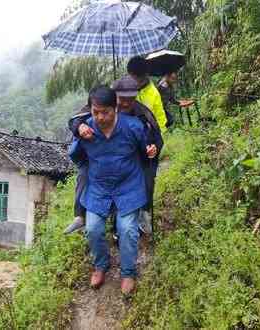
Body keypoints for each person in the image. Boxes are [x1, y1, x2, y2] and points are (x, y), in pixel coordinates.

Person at [69, 85, 154, 294]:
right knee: (93, 228)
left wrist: (150, 151)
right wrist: (79, 132)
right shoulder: (86, 129)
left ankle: (128, 272)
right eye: (95, 112)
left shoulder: (133, 127)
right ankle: (100, 266)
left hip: (128, 186)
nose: (99, 117)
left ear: (115, 108)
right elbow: (76, 156)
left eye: (105, 112)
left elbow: (146, 150)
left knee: (127, 229)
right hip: (99, 187)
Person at [64, 76, 163, 235]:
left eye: (130, 99)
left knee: (146, 174)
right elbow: (74, 120)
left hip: (132, 157)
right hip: (100, 156)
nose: (125, 103)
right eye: (121, 99)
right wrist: (80, 127)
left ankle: (144, 213)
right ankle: (80, 216)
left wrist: (153, 148)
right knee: (84, 173)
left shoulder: (141, 113)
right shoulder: (99, 107)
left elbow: (155, 136)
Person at [127, 56, 168, 133]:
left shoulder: (154, 93)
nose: (135, 83)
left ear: (146, 75)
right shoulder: (123, 89)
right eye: (131, 78)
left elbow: (161, 120)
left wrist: (157, 139)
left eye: (138, 80)